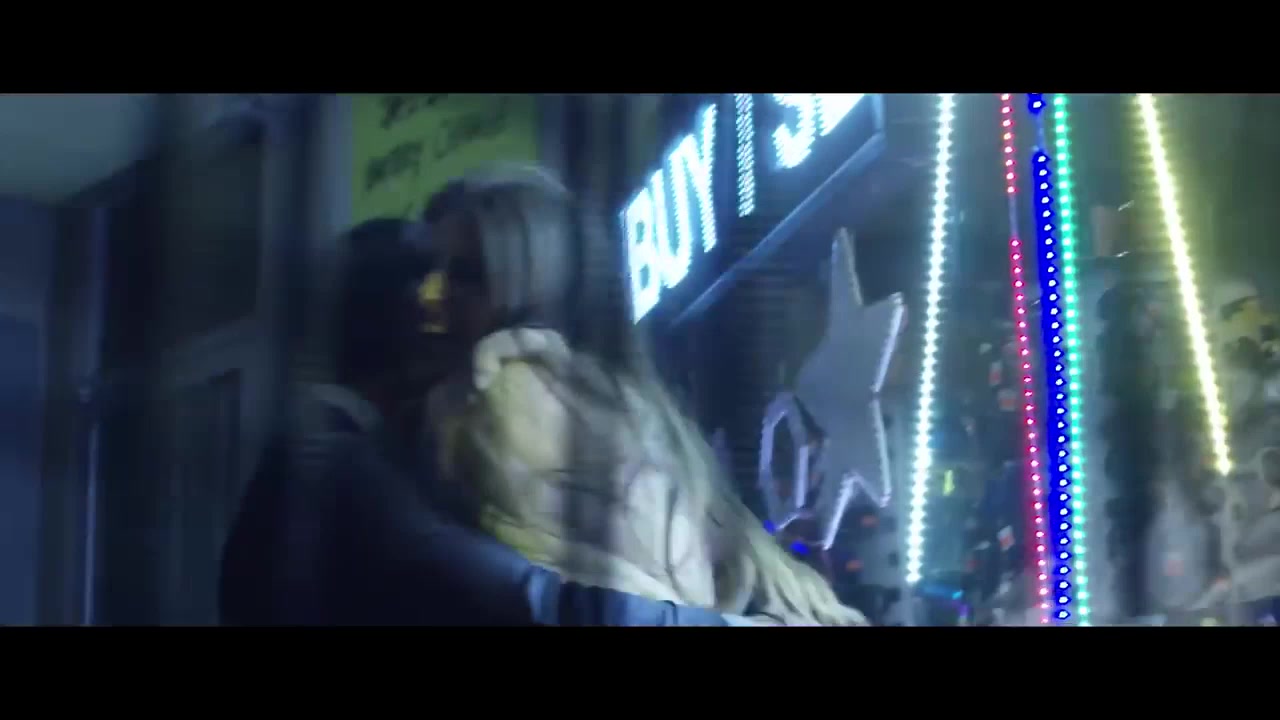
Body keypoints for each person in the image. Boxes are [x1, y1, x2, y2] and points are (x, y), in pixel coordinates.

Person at [218, 217, 733, 626]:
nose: (443, 307)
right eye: (439, 286)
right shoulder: (333, 465)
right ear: (408, 323)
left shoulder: (326, 459)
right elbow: (530, 600)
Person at [421, 165, 868, 625]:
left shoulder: (496, 398)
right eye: (435, 271)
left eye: (467, 275)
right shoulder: (637, 406)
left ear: (528, 284)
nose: (435, 295)